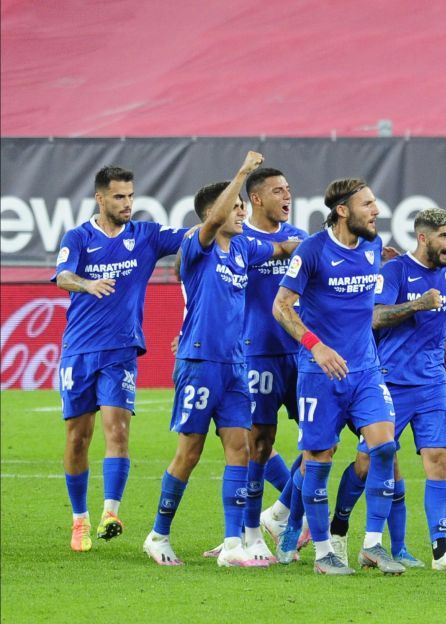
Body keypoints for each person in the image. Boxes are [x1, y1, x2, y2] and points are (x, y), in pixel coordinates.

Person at [143, 151, 298, 567]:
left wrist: (345, 245)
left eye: (244, 207)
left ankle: (233, 544)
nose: (243, 213)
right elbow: (211, 223)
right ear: (213, 213)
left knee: (240, 450)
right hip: (199, 361)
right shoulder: (198, 246)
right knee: (189, 452)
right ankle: (158, 534)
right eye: (236, 207)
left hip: (235, 365)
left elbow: (285, 246)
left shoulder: (244, 248)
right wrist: (243, 172)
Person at [326, 207, 446, 573]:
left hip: (433, 384)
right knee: (370, 461)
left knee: (439, 458)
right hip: (389, 380)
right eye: (444, 236)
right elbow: (375, 316)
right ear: (423, 237)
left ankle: (441, 551)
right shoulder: (394, 271)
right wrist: (418, 304)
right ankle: (339, 527)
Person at [272, 177, 405, 576]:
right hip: (319, 372)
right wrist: (316, 345)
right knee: (318, 459)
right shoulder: (312, 250)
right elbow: (281, 307)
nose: (376, 211)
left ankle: (373, 546)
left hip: (365, 369)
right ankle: (324, 553)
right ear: (344, 210)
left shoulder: (374, 246)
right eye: (368, 204)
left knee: (383, 448)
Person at [53, 165, 189, 552]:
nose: (127, 203)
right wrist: (86, 283)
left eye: (131, 196)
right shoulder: (78, 237)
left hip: (121, 351)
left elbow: (198, 234)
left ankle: (110, 512)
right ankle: (79, 519)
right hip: (79, 351)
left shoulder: (145, 235)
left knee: (118, 431)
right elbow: (62, 276)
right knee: (78, 437)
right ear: (100, 198)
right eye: (119, 196)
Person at [197, 167, 310, 562]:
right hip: (255, 353)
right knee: (257, 444)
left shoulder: (303, 241)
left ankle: (279, 514)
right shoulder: (237, 240)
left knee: (319, 441)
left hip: (301, 353)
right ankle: (250, 534)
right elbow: (207, 288)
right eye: (278, 190)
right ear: (257, 199)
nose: (287, 196)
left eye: (289, 189)